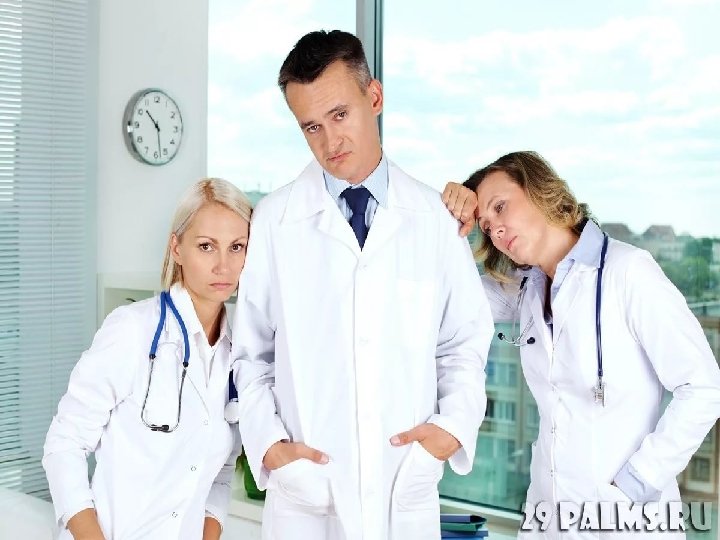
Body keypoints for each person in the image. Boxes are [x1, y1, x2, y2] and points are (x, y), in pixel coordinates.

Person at [232, 30, 494, 540]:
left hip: (404, 485)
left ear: (374, 97)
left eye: (340, 115)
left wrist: (449, 431)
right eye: (311, 127)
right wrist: (270, 447)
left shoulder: (435, 219)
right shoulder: (274, 220)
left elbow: (464, 343)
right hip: (307, 494)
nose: (330, 143)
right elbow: (251, 355)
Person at [448, 151, 720, 539]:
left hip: (626, 519)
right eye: (486, 227)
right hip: (547, 518)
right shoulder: (524, 288)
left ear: (538, 190)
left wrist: (634, 484)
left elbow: (703, 387)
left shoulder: (628, 271)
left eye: (501, 207)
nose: (496, 231)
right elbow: (447, 292)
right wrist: (449, 220)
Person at [43, 178, 251, 540]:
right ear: (177, 248)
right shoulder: (132, 330)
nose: (223, 265)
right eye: (206, 246)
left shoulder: (239, 352)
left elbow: (219, 473)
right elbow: (64, 445)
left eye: (237, 247)